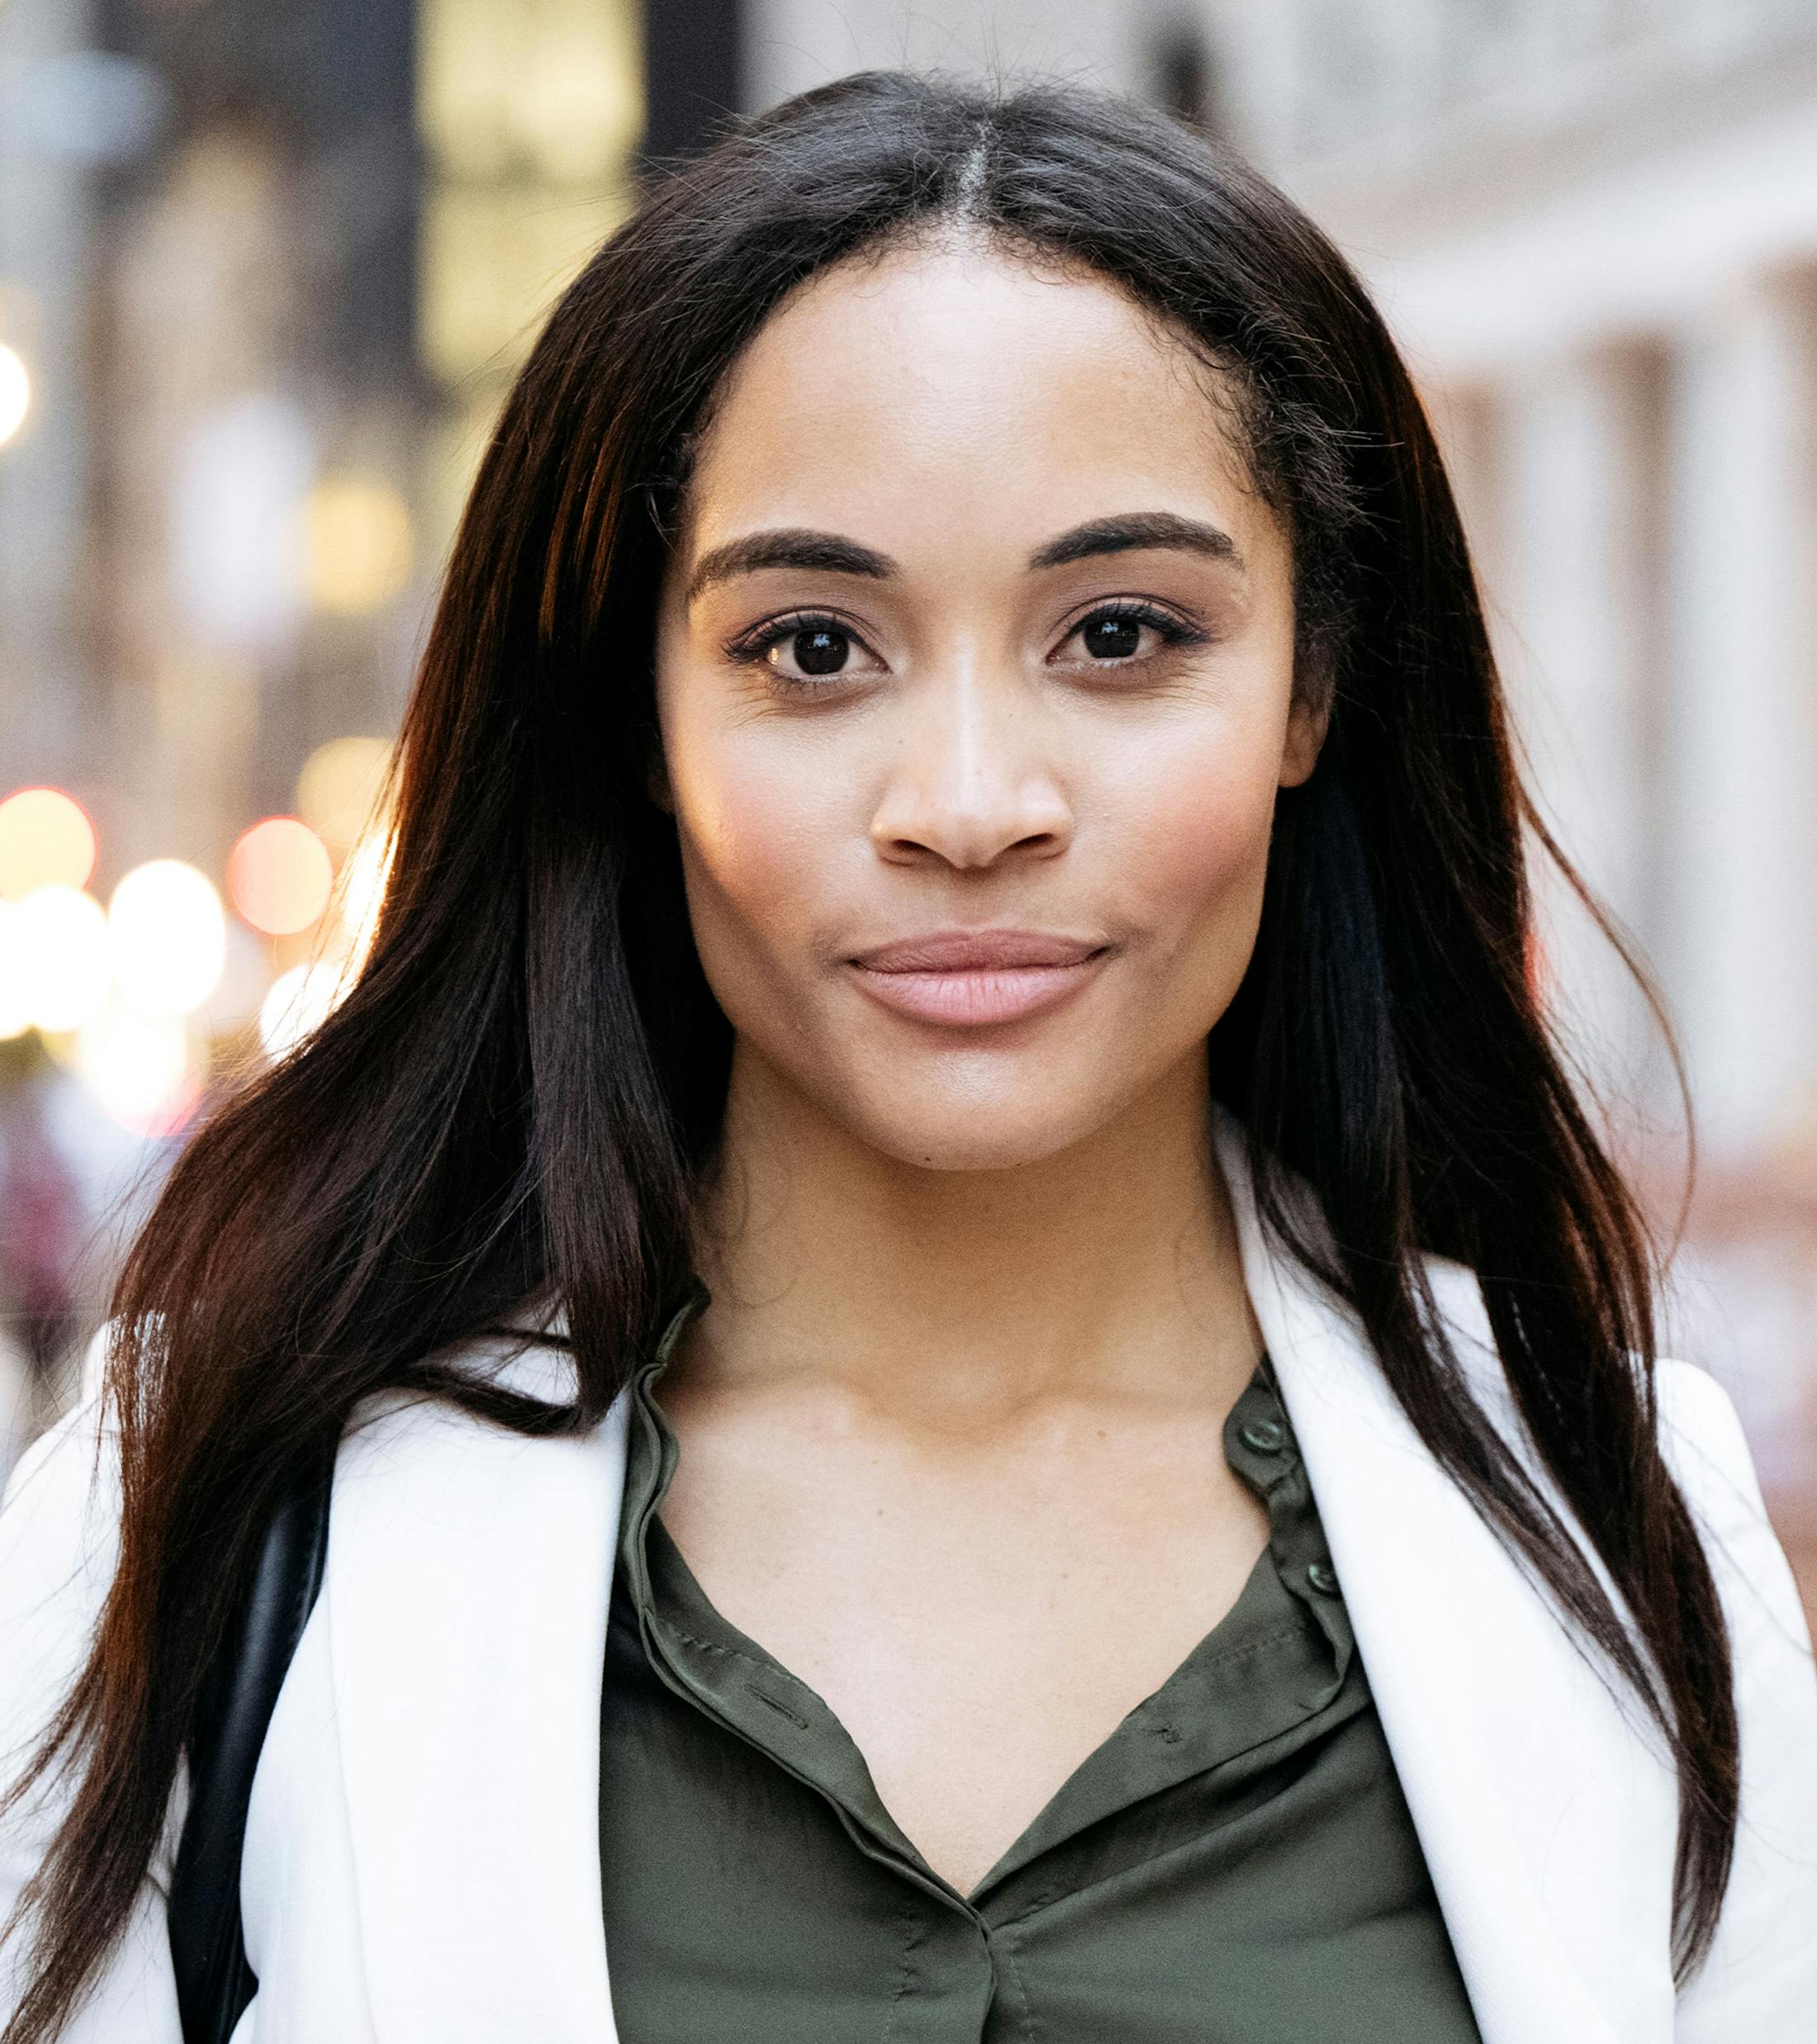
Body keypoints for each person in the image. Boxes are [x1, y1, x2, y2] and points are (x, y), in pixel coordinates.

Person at [2, 68, 1814, 2044]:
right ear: (636, 718)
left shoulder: (1620, 1524)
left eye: (1119, 632)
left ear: (1312, 684)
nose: (966, 802)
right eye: (810, 647)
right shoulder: (209, 1510)